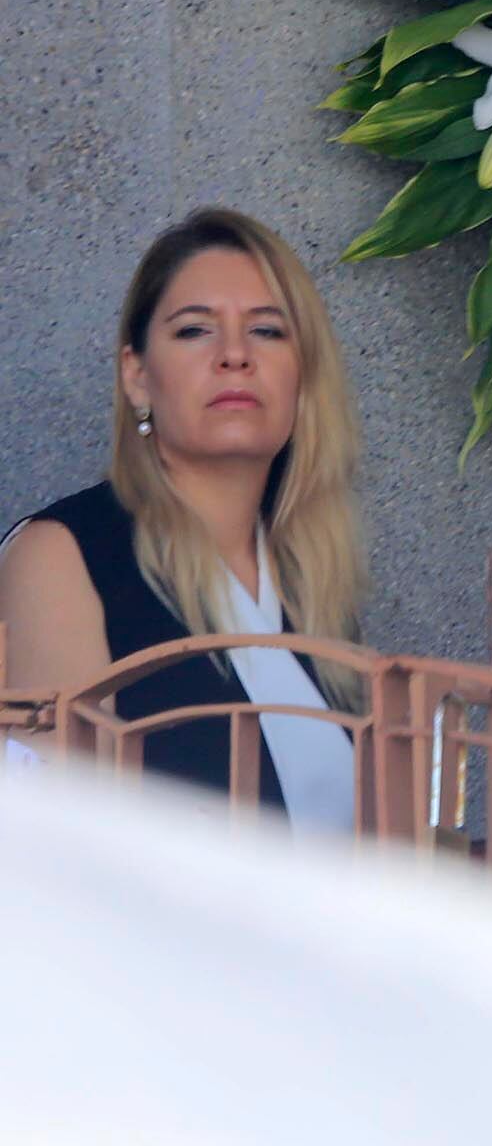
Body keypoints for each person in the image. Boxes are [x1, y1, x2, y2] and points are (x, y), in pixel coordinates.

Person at [0, 208, 367, 832]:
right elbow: (60, 853)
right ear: (138, 376)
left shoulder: (311, 582)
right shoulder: (64, 557)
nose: (235, 355)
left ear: (303, 377)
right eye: (195, 330)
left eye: (268, 331)